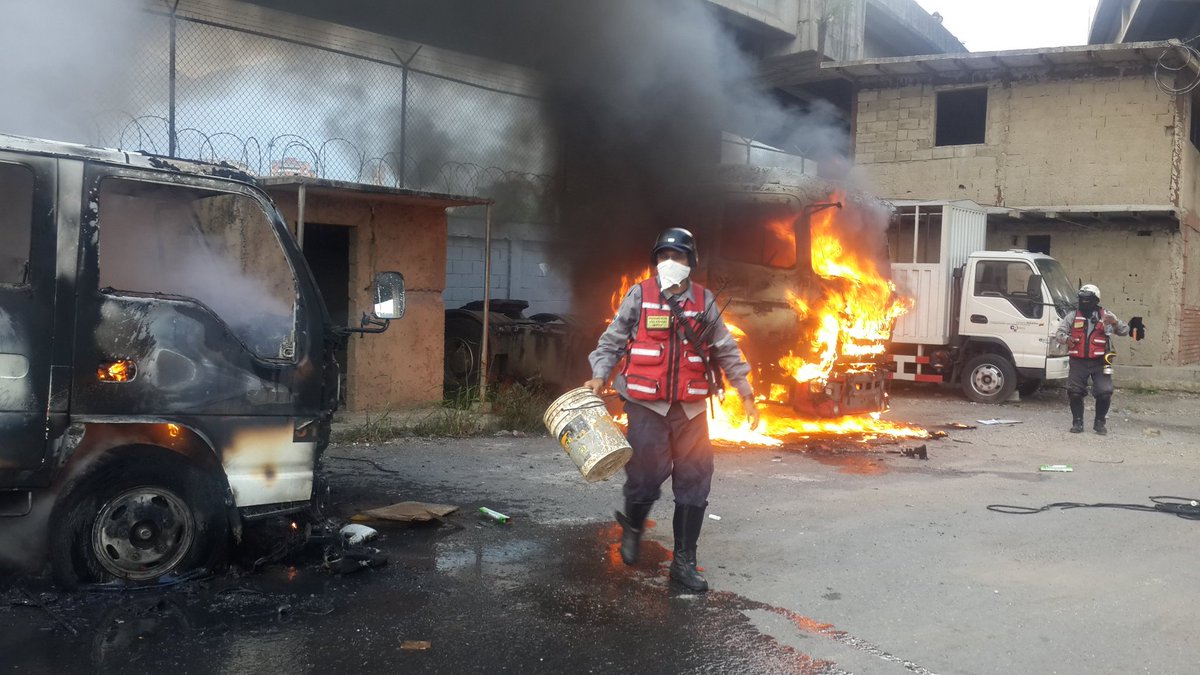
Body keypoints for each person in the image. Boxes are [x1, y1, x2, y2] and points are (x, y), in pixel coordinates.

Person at [585, 227, 759, 592]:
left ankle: (683, 563)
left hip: (692, 409)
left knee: (695, 483)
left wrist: (745, 392)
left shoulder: (704, 300)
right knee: (644, 478)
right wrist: (599, 375)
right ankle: (632, 527)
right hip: (647, 405)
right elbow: (613, 340)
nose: (670, 263)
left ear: (690, 261)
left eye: (677, 256)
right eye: (663, 256)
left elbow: (727, 349)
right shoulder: (640, 295)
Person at [1054, 284, 1129, 435]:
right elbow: (1059, 333)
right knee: (1074, 392)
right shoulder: (1072, 316)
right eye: (1082, 299)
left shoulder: (1106, 316)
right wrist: (1066, 339)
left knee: (1105, 392)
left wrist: (1114, 322)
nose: (1084, 302)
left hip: (1101, 362)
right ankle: (1077, 423)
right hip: (1078, 361)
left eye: (1088, 299)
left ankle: (1100, 423)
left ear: (1096, 300)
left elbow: (1125, 331)